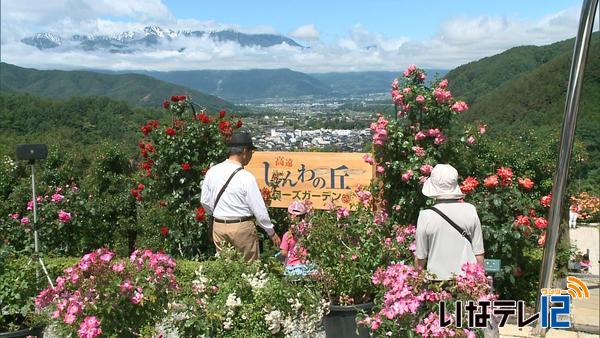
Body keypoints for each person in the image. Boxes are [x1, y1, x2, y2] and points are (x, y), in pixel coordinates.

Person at [201, 132, 281, 261]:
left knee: (225, 267)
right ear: (244, 151)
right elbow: (259, 210)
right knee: (249, 268)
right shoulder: (246, 177)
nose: (251, 155)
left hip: (219, 226)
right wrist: (271, 232)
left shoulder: (212, 171)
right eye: (251, 152)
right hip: (241, 227)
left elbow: (204, 201)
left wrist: (218, 213)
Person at [415, 164, 485, 280]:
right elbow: (479, 253)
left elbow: (421, 258)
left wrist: (416, 281)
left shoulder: (425, 216)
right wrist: (481, 281)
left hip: (436, 283)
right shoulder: (470, 210)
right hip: (467, 281)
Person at [280, 200, 313, 276]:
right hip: (307, 267)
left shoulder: (287, 235)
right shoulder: (308, 233)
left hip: (292, 268)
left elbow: (283, 253)